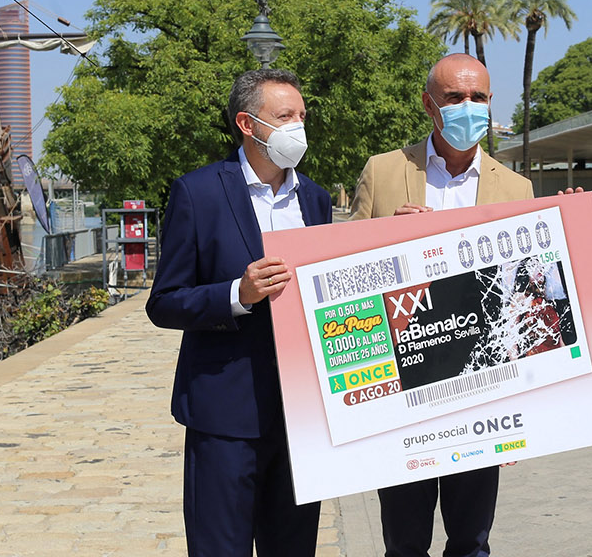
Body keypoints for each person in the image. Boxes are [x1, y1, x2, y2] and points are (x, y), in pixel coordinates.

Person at [351, 53, 533, 557]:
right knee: (404, 541)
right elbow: (341, 272)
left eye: (477, 98)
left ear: (491, 103)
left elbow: (522, 298)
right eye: (454, 97)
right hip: (400, 386)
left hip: (479, 387)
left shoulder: (516, 188)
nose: (467, 107)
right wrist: (387, 239)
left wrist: (522, 413)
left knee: (472, 540)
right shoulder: (384, 171)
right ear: (429, 104)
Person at [146, 68, 331, 557]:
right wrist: (236, 294)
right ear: (248, 124)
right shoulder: (198, 192)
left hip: (300, 419)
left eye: (302, 116)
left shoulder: (316, 198)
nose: (299, 126)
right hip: (224, 415)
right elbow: (164, 302)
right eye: (285, 116)